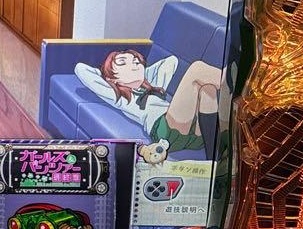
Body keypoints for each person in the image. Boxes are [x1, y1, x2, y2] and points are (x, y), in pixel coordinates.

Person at [74, 49, 223, 155]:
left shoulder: (154, 84)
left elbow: (171, 61)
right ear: (112, 78)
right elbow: (81, 69)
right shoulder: (119, 97)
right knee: (197, 68)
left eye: (136, 62)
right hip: (165, 131)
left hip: (195, 135)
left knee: (208, 89)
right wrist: (107, 76)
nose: (134, 65)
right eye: (122, 63)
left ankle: (213, 155)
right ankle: (231, 81)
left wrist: (142, 76)